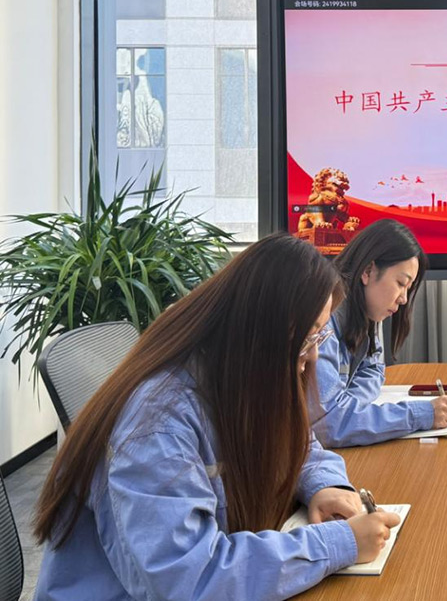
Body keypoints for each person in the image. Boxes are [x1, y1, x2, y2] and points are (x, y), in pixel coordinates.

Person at [33, 234, 401, 600]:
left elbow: (298, 440)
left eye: (318, 337)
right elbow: (190, 580)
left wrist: (324, 485)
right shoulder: (157, 425)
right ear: (262, 335)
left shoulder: (237, 375)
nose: (314, 356)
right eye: (308, 338)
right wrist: (336, 544)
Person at [312, 219, 447, 448]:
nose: (404, 299)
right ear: (368, 271)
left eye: (408, 289)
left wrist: (349, 409)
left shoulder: (364, 313)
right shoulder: (324, 322)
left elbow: (373, 370)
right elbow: (329, 425)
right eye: (401, 283)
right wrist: (419, 414)